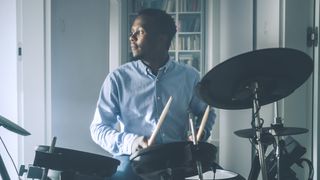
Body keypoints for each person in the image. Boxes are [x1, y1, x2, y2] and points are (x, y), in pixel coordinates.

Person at [90, 8, 216, 180]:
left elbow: (207, 112)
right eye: (132, 32)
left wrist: (202, 133)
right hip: (134, 157)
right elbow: (98, 129)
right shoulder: (117, 78)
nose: (131, 38)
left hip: (178, 157)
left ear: (161, 38)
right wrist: (132, 142)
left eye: (139, 32)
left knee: (218, 175)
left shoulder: (190, 76)